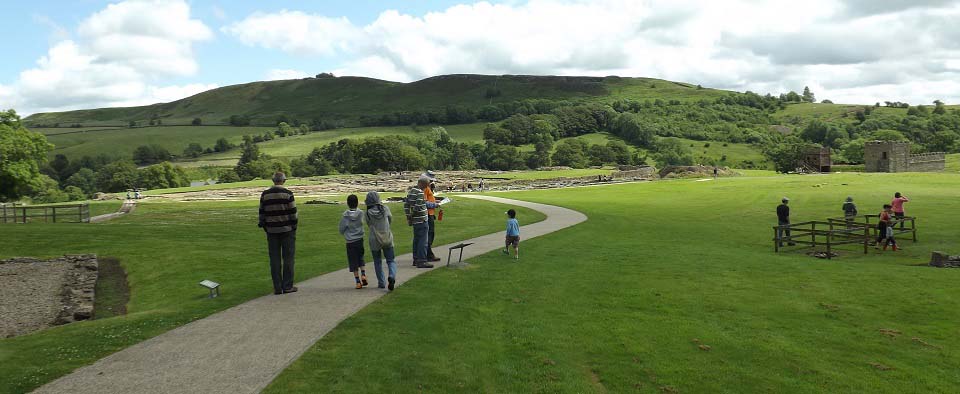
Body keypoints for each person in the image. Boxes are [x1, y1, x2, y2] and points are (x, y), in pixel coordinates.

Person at [258, 172, 299, 295]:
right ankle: (287, 286)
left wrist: (265, 226)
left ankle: (277, 287)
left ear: (273, 180)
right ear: (284, 181)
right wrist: (293, 227)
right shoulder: (288, 194)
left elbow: (261, 213)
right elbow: (293, 213)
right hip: (287, 230)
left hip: (271, 231)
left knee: (274, 259)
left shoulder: (265, 194)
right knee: (288, 258)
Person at [404, 175, 439, 268]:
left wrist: (408, 217)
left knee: (416, 240)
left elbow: (406, 205)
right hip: (422, 219)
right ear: (421, 183)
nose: (426, 187)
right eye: (425, 185)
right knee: (423, 241)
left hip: (416, 221)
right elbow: (418, 207)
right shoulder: (419, 192)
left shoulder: (411, 191)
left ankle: (415, 259)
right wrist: (411, 216)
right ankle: (422, 260)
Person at [365, 191, 397, 291]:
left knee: (377, 262)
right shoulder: (385, 209)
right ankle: (391, 275)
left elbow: (369, 224)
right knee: (391, 260)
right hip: (387, 237)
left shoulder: (367, 213)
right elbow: (390, 220)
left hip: (374, 239)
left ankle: (381, 282)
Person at [339, 194, 367, 289]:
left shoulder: (345, 216)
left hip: (350, 241)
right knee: (361, 257)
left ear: (348, 203)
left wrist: (346, 232)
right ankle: (363, 274)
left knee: (353, 262)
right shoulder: (361, 213)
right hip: (360, 239)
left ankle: (358, 281)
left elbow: (341, 229)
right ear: (357, 202)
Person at [424, 175, 442, 263]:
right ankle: (428, 254)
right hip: (428, 214)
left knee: (430, 234)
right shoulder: (425, 188)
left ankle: (427, 254)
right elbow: (425, 203)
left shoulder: (427, 187)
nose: (431, 182)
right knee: (429, 234)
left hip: (430, 213)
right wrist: (435, 205)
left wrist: (435, 201)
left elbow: (428, 200)